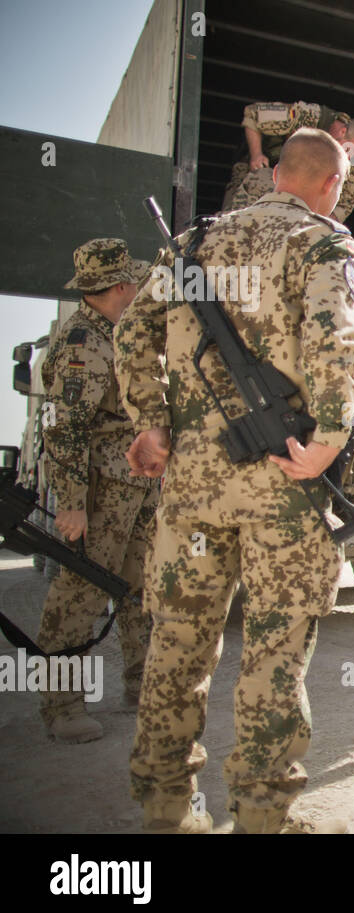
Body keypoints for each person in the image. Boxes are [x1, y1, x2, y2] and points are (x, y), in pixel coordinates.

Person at [116, 128, 354, 832]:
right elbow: (334, 342)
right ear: (327, 184)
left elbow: (133, 331)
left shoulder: (191, 245)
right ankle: (263, 818)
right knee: (276, 652)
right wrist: (331, 440)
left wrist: (150, 420)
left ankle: (165, 810)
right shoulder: (323, 240)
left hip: (193, 487)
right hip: (281, 482)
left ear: (278, 172)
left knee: (178, 645)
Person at [36, 239, 158, 743]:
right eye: (132, 281)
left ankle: (140, 685)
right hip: (100, 491)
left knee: (140, 588)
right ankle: (61, 706)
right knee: (80, 591)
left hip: (133, 483)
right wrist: (71, 505)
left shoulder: (116, 330)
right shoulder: (83, 343)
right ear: (119, 286)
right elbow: (66, 430)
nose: (137, 287)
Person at [222, 101, 354, 223]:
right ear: (343, 131)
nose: (348, 158)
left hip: (301, 200)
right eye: (348, 150)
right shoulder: (311, 117)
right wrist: (257, 154)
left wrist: (324, 221)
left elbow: (345, 204)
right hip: (261, 175)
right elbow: (252, 114)